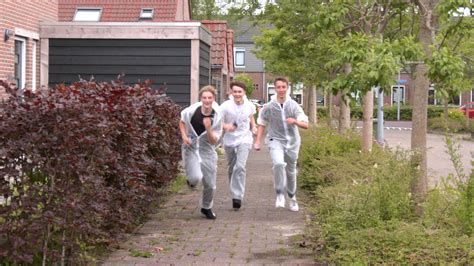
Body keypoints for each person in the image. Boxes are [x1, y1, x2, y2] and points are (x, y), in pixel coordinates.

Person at [253, 77, 308, 212]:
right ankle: (279, 193)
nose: (281, 90)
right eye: (278, 87)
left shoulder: (293, 105)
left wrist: (295, 121)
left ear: (287, 88)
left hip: (293, 142)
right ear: (275, 88)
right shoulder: (269, 106)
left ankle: (292, 197)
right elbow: (261, 122)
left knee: (291, 171)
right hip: (275, 139)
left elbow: (305, 125)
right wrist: (258, 141)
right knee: (278, 163)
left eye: (284, 87)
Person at [179, 85, 222, 219]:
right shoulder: (191, 110)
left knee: (210, 184)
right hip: (191, 148)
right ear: (200, 98)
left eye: (210, 98)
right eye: (204, 97)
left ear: (214, 99)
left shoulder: (217, 115)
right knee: (195, 178)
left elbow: (214, 141)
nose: (207, 100)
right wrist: (184, 136)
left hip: (207, 150)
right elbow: (181, 122)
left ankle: (206, 207)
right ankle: (191, 182)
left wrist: (208, 128)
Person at [220, 81, 257, 210]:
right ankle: (234, 190)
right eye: (235, 91)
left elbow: (251, 117)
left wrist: (254, 127)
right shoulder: (225, 106)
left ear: (244, 93)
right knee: (232, 167)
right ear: (231, 92)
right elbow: (218, 122)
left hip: (244, 139)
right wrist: (226, 126)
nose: (237, 94)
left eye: (239, 92)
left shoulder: (249, 105)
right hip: (229, 140)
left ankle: (237, 196)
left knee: (240, 166)